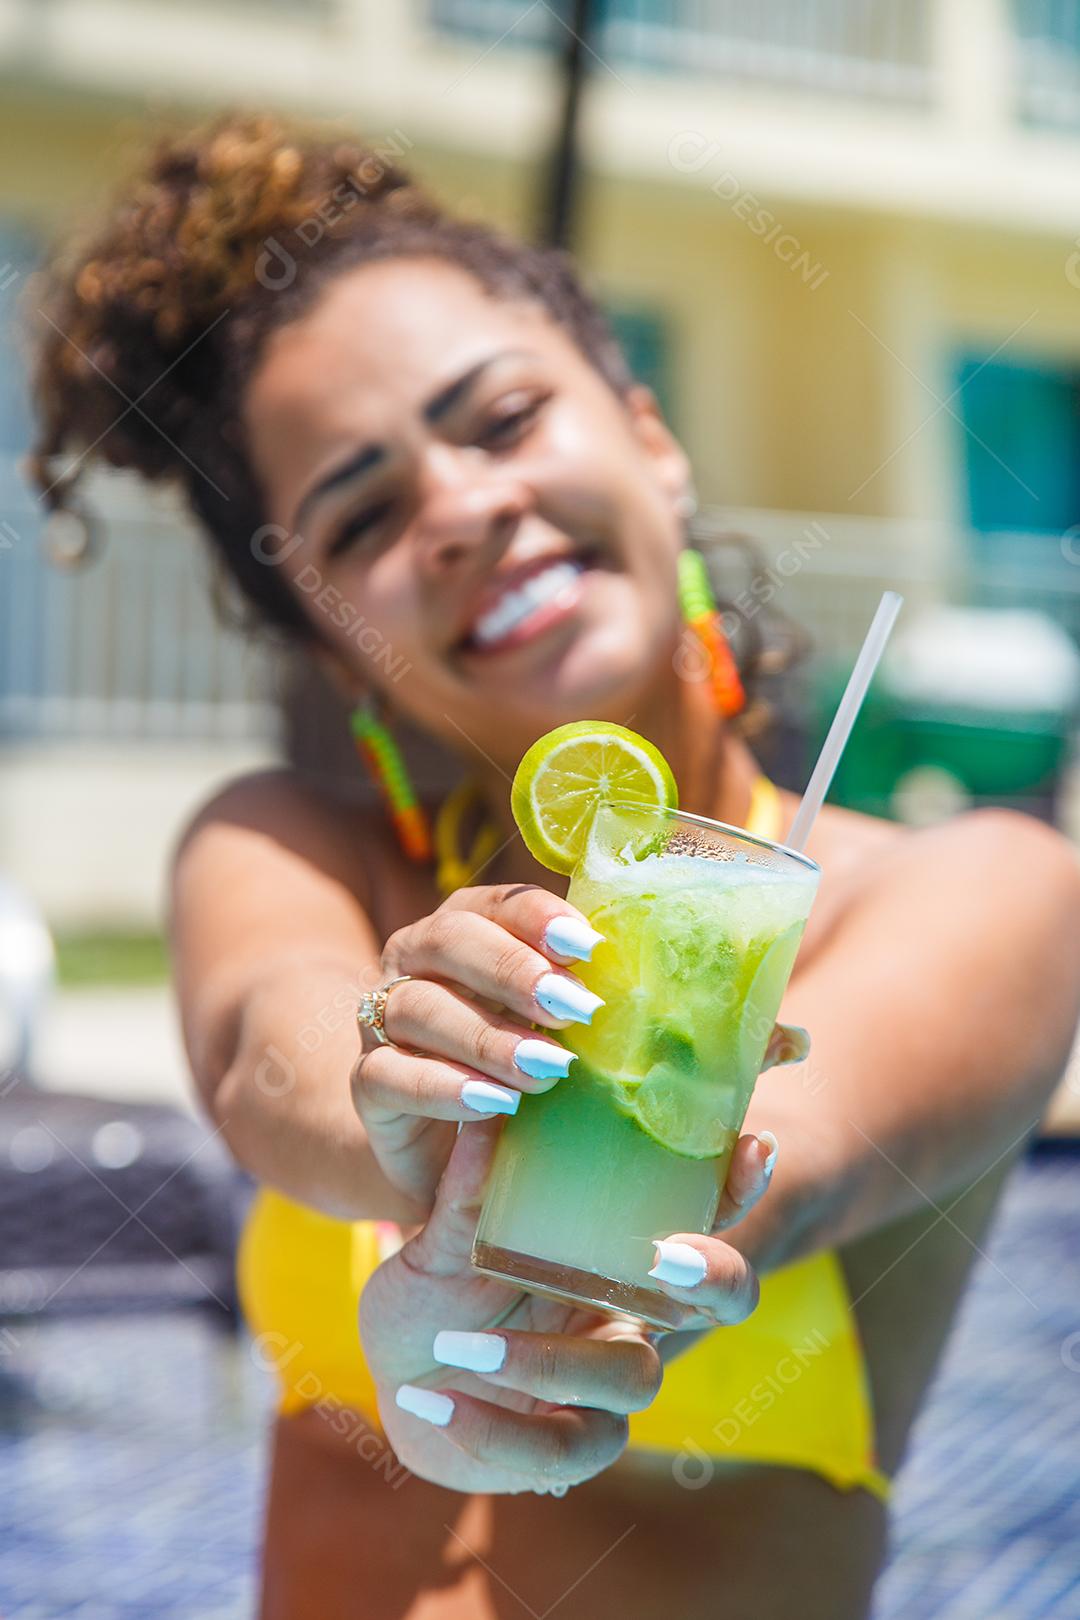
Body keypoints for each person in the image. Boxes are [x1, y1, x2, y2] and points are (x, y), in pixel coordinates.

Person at [30, 113, 1080, 1620]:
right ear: (331, 635)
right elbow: (282, 1049)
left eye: (504, 418)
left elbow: (750, 1148)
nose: (462, 508)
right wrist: (402, 1109)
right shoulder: (286, 848)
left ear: (649, 436)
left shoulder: (973, 887)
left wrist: (509, 1289)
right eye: (365, 511)